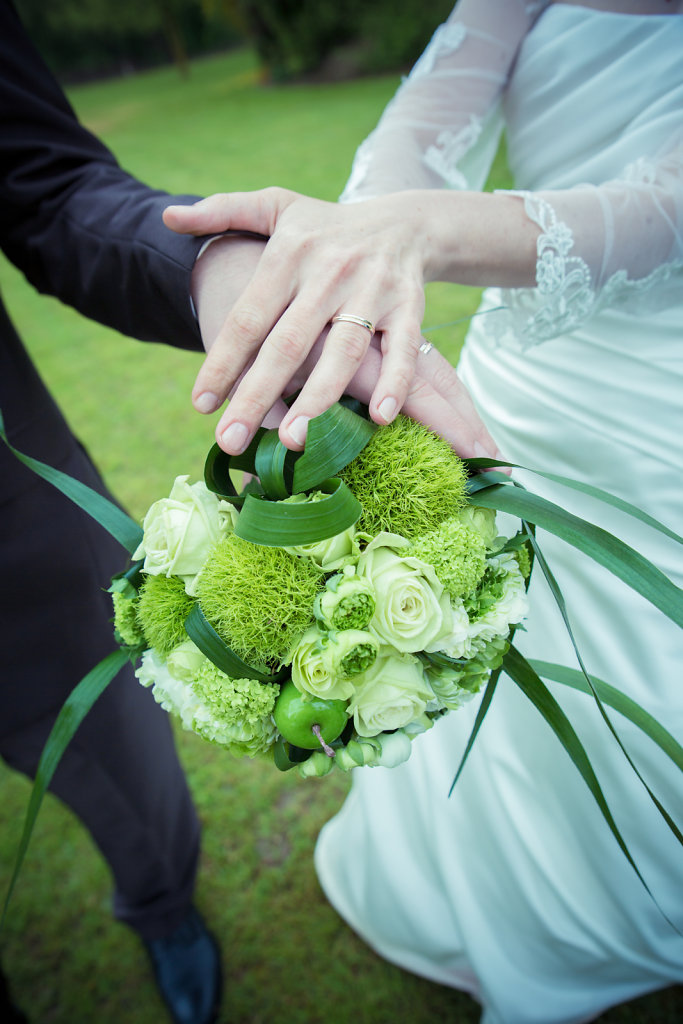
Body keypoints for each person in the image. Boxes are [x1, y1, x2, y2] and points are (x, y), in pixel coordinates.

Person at [165, 1, 683, 1021]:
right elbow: (427, 116)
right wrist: (356, 232)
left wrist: (412, 235)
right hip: (507, 397)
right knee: (470, 650)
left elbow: (659, 209)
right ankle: (514, 910)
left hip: (658, 408)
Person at [0, 3, 501, 1021]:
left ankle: (163, 904)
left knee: (116, 759)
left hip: (8, 540)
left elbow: (44, 185)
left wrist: (217, 266)